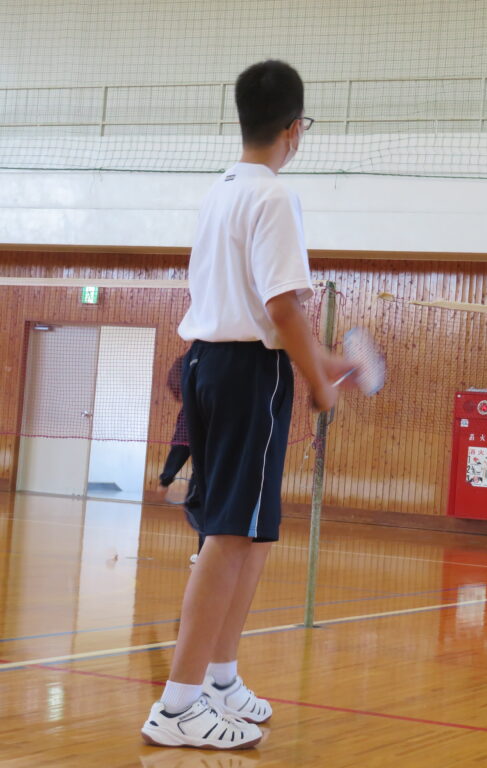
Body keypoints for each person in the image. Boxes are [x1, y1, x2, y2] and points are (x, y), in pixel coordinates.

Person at [141, 59, 356, 750]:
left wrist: (322, 363)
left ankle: (220, 679)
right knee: (230, 534)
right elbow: (282, 308)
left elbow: (257, 311)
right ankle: (177, 705)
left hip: (212, 365)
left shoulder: (221, 191)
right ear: (295, 128)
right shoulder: (274, 196)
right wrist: (321, 384)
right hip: (246, 376)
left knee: (252, 533)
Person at [157, 353, 204, 560]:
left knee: (198, 504)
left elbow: (182, 446)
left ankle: (206, 557)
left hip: (208, 471)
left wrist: (166, 479)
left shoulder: (192, 409)